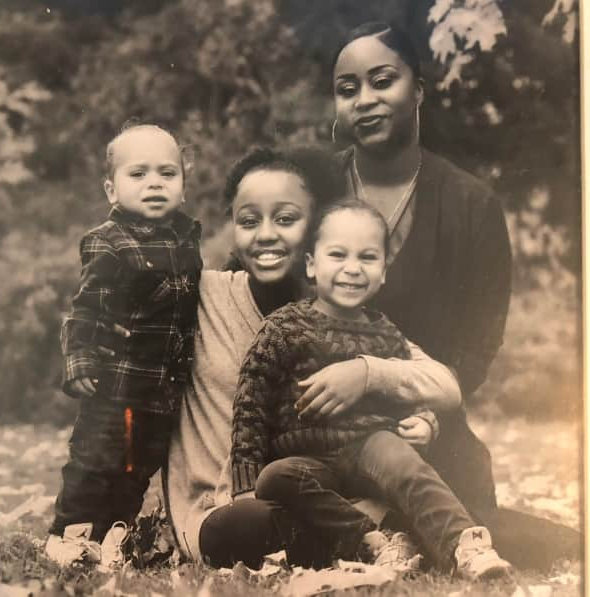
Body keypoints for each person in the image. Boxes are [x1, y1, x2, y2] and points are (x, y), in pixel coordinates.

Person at [321, 21, 581, 570]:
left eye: (382, 81)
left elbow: (475, 347)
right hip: (320, 431)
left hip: (428, 432)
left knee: (458, 520)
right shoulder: (315, 187)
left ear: (418, 88)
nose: (364, 100)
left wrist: (431, 417)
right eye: (348, 89)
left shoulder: (470, 205)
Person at [162, 146, 463, 569]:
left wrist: (367, 374)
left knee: (348, 497)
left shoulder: (338, 310)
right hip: (225, 508)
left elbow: (444, 384)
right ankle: (390, 536)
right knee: (252, 521)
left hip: (322, 494)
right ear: (233, 227)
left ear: (314, 231)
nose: (266, 234)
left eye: (286, 219)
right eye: (248, 221)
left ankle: (381, 540)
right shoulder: (202, 295)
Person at [231, 199, 513, 580]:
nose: (352, 268)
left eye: (367, 257)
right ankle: (378, 541)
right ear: (313, 264)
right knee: (276, 477)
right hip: (308, 458)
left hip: (370, 447)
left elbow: (412, 392)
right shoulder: (285, 327)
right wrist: (244, 484)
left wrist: (426, 421)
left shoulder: (385, 332)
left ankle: (466, 544)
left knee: (404, 463)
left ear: (383, 272)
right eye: (338, 255)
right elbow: (251, 403)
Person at [46, 123, 202, 569]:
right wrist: (80, 359)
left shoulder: (187, 240)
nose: (154, 183)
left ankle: (117, 533)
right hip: (116, 385)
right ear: (112, 189)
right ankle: (69, 534)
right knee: (95, 461)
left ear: (183, 188)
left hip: (162, 391)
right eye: (139, 174)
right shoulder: (109, 244)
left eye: (167, 174)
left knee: (139, 469)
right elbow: (85, 310)